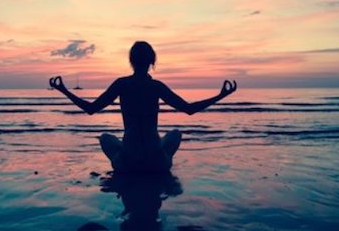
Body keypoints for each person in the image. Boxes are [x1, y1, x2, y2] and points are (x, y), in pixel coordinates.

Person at [49, 41, 237, 172]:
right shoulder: (156, 86)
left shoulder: (122, 84)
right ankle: (157, 158)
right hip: (157, 164)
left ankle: (128, 154)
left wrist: (64, 89)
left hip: (127, 164)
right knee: (175, 133)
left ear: (131, 61)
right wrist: (221, 96)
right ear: (152, 62)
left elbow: (90, 109)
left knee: (106, 138)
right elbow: (189, 109)